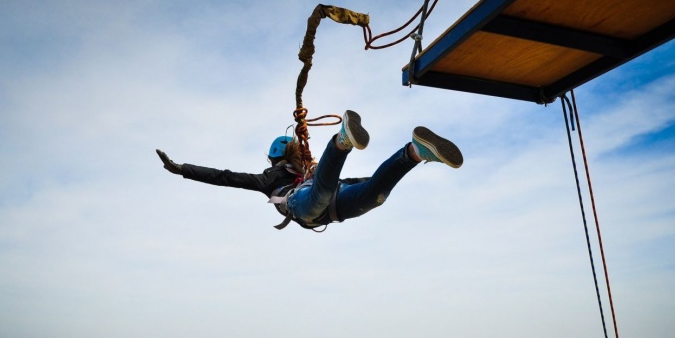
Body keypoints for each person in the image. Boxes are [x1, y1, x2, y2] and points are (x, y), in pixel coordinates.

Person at [156, 110, 463, 230]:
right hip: (307, 204)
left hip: (324, 202)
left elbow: (343, 181)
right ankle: (342, 142)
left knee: (375, 196)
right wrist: (182, 168)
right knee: (324, 187)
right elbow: (224, 177)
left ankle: (414, 152)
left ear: (274, 156)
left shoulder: (310, 172)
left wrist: (373, 180)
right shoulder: (271, 180)